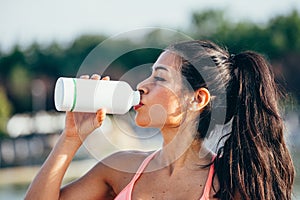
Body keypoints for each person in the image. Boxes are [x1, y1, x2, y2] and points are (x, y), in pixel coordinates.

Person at [25, 40, 295, 200]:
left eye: (160, 77)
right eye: (149, 74)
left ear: (197, 99)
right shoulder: (119, 169)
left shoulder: (232, 184)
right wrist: (71, 138)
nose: (142, 85)